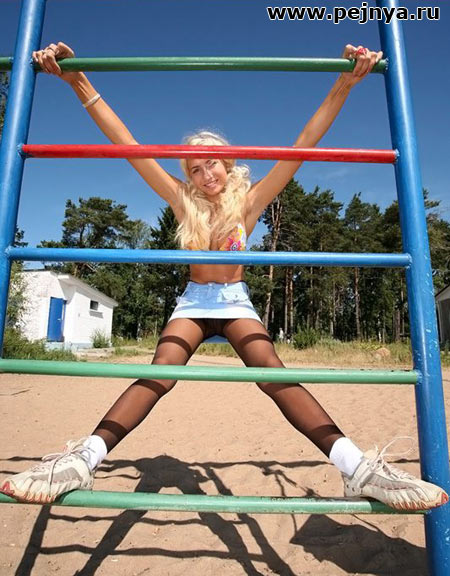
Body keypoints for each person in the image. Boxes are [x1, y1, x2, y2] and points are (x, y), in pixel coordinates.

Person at [1, 42, 447, 512]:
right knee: (158, 374)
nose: (205, 173)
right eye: (195, 168)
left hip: (234, 301)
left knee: (273, 374)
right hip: (194, 302)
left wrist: (344, 84)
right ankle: (82, 460)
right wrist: (78, 81)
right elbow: (128, 145)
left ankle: (357, 470)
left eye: (211, 162)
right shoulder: (182, 201)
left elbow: (302, 146)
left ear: (228, 161)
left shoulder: (249, 202)